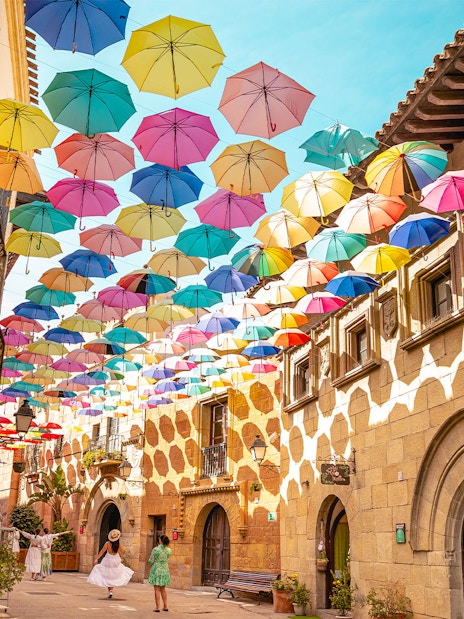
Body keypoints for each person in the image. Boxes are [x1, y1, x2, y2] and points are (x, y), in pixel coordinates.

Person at [87, 529, 133, 599]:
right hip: (116, 559)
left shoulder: (107, 544)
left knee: (107, 575)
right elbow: (123, 551)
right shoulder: (118, 544)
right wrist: (122, 558)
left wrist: (97, 559)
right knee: (114, 575)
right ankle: (111, 590)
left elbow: (102, 551)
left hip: (108, 559)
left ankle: (110, 590)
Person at [148, 534, 171, 612]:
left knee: (157, 589)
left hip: (157, 569)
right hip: (165, 569)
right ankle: (165, 606)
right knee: (163, 589)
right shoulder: (169, 550)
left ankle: (157, 607)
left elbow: (151, 560)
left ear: (160, 540)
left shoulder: (156, 549)